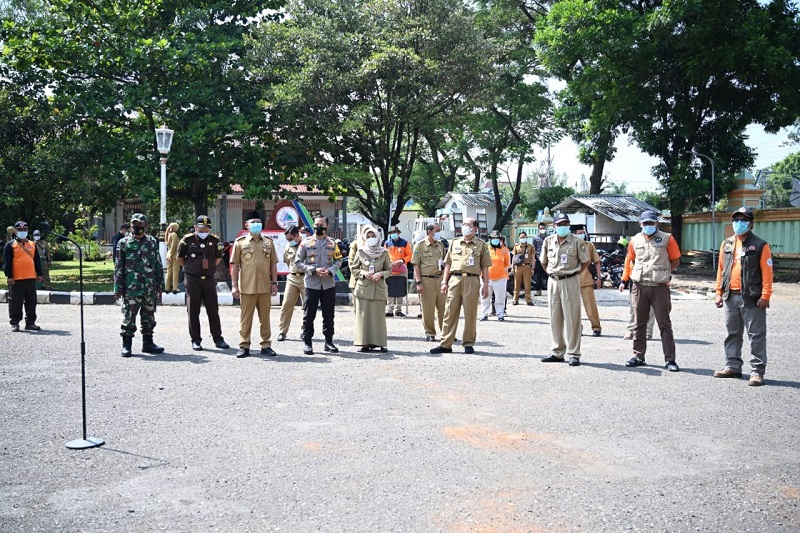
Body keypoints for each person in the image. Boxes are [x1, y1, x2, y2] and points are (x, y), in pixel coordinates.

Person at [713, 207, 773, 386]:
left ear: (751, 224)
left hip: (753, 298)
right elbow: (721, 270)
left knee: (756, 335)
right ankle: (733, 366)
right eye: (736, 220)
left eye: (743, 220)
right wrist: (718, 292)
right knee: (732, 334)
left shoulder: (761, 245)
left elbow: (768, 272)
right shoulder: (727, 244)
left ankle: (757, 371)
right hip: (731, 296)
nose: (739, 224)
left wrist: (766, 295)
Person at [619, 210, 682, 372]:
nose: (648, 226)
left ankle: (670, 360)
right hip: (639, 286)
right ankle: (639, 356)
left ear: (656, 223)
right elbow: (631, 259)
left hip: (660, 287)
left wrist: (663, 273)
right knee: (639, 324)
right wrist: (625, 279)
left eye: (651, 223)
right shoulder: (634, 240)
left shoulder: (667, 239)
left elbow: (675, 260)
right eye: (645, 223)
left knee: (664, 324)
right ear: (640, 224)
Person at [430, 217, 491, 354]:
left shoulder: (481, 245)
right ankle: (445, 343)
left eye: (467, 225)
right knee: (449, 312)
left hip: (472, 280)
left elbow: (485, 267)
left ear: (475, 229)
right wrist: (444, 281)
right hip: (455, 279)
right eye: (463, 224)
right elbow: (448, 264)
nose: (464, 226)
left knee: (470, 313)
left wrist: (485, 285)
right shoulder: (455, 242)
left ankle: (468, 343)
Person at [540, 213, 590, 366]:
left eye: (565, 224)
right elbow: (543, 262)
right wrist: (550, 273)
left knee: (572, 318)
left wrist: (574, 274)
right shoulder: (548, 242)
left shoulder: (576, 241)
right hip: (553, 281)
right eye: (560, 224)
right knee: (555, 318)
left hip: (570, 281)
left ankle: (574, 353)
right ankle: (557, 351)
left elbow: (586, 262)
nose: (563, 227)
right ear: (554, 226)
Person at [230, 211, 279, 358]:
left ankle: (266, 345)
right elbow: (235, 265)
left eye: (258, 222)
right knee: (246, 318)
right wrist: (234, 286)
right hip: (246, 287)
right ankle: (244, 345)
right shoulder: (240, 242)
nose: (256, 224)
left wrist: (275, 283)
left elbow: (273, 265)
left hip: (264, 287)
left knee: (265, 318)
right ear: (247, 225)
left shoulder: (268, 242)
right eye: (253, 222)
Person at [114, 213, 164, 356]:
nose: (137, 228)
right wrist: (118, 288)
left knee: (149, 317)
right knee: (129, 317)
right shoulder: (124, 243)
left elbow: (157, 264)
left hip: (149, 287)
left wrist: (160, 284)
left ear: (146, 226)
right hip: (131, 287)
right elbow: (119, 267)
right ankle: (127, 345)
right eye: (134, 225)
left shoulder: (152, 242)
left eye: (140, 225)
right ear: (130, 225)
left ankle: (148, 344)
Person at [177, 215, 229, 351]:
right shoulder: (186, 241)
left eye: (207, 229)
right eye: (201, 229)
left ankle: (218, 339)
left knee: (213, 309)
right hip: (193, 279)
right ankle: (196, 340)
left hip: (209, 278)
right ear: (195, 227)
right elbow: (180, 258)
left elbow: (217, 259)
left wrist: (208, 268)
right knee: (193, 310)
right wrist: (191, 268)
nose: (204, 231)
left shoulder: (214, 241)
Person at [295, 216, 343, 355]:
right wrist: (312, 270)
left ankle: (329, 342)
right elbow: (298, 262)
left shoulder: (333, 243)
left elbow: (338, 260)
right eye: (316, 224)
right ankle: (308, 343)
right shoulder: (305, 243)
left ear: (327, 226)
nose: (318, 227)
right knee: (309, 314)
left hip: (328, 284)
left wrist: (330, 271)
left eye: (321, 224)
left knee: (329, 314)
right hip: (312, 283)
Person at [351, 225, 392, 352]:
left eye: (373, 236)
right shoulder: (361, 251)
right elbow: (354, 268)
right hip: (364, 288)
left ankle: (380, 343)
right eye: (368, 236)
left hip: (379, 288)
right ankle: (364, 343)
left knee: (378, 317)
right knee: (364, 317)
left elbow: (389, 270)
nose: (370, 238)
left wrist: (381, 274)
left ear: (378, 237)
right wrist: (363, 273)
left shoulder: (384, 253)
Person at [3, 221, 43, 332]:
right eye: (20, 230)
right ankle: (15, 323)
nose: (22, 232)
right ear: (15, 231)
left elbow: (37, 260)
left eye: (25, 230)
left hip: (30, 277)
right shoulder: (10, 245)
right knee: (15, 302)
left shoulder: (32, 244)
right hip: (17, 278)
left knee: (31, 301)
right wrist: (9, 276)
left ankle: (30, 322)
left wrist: (39, 274)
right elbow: (7, 262)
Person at [411, 223, 446, 341]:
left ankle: (445, 333)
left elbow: (445, 263)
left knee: (443, 308)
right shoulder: (420, 246)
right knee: (428, 309)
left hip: (440, 279)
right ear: (429, 232)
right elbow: (416, 265)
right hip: (426, 280)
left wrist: (445, 280)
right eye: (437, 230)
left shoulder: (440, 245)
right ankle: (430, 333)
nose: (439, 233)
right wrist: (419, 282)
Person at [277, 225, 306, 342]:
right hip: (292, 279)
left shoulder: (307, 245)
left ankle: (305, 331)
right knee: (286, 305)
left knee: (307, 307)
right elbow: (287, 262)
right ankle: (282, 331)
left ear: (297, 235)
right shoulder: (288, 247)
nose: (289, 241)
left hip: (306, 279)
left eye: (290, 239)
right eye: (287, 239)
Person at [573, 225, 602, 336]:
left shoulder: (589, 245)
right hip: (572, 281)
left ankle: (596, 328)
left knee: (591, 307)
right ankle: (577, 329)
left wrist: (599, 277)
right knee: (574, 308)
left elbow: (597, 261)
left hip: (587, 280)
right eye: (579, 232)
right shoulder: (570, 245)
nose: (581, 234)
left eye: (582, 232)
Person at [480, 230, 511, 321]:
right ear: (490, 239)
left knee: (500, 297)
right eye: (493, 238)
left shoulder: (505, 250)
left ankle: (500, 314)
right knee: (485, 296)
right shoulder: (485, 248)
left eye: (497, 238)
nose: (495, 240)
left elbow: (507, 263)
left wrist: (501, 270)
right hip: (486, 277)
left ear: (500, 239)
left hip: (501, 278)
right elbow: (481, 262)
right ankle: (484, 314)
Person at [385, 225, 412, 317]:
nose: (393, 234)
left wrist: (402, 260)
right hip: (390, 269)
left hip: (401, 269)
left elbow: (410, 255)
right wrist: (389, 262)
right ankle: (389, 310)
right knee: (390, 289)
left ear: (398, 233)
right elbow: (385, 255)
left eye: (395, 233)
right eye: (391, 233)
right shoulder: (387, 243)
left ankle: (398, 310)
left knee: (400, 289)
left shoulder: (405, 243)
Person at [511, 231, 534, 306]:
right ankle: (515, 299)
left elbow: (533, 258)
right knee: (516, 284)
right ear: (519, 238)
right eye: (521, 237)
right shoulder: (516, 246)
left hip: (527, 266)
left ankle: (528, 299)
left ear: (526, 237)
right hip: (518, 267)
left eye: (524, 237)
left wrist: (532, 268)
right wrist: (512, 267)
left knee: (527, 284)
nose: (522, 239)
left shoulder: (530, 246)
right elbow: (514, 257)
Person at [532, 222, 548, 296]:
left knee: (549, 274)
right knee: (538, 275)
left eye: (543, 228)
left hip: (548, 258)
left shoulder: (548, 237)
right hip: (539, 258)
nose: (542, 229)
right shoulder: (535, 238)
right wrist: (534, 258)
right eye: (541, 228)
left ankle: (550, 290)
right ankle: (538, 290)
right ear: (538, 229)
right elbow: (533, 248)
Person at [164, 222, 181, 294]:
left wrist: (169, 254)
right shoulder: (174, 234)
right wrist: (171, 254)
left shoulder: (168, 234)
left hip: (168, 254)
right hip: (174, 255)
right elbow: (174, 246)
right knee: (175, 272)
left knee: (169, 272)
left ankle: (167, 288)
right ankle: (175, 288)